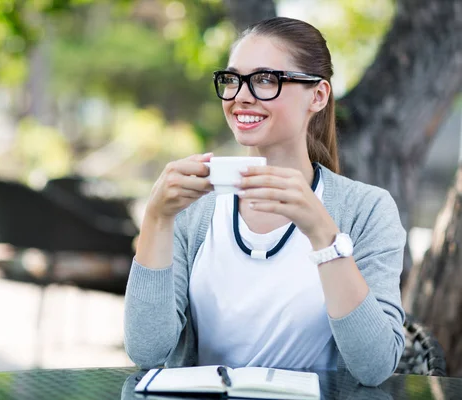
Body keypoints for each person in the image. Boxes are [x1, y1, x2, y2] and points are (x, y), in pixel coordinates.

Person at [123, 16, 405, 387]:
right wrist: (157, 218)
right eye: (232, 80)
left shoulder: (366, 210)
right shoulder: (192, 206)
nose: (240, 96)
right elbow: (147, 352)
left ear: (318, 96)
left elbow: (375, 366)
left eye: (265, 80)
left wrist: (323, 234)